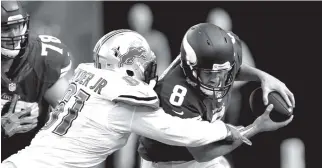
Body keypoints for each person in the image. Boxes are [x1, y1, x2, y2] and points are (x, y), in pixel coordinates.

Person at [2, 29, 253, 168]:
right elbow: (182, 132)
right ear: (130, 66)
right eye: (143, 62)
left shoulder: (86, 77)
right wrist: (224, 129)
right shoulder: (125, 100)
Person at [138, 23, 295, 168]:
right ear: (190, 70)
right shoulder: (175, 95)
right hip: (168, 161)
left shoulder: (223, 59)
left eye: (222, 73)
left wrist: (263, 77)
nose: (217, 80)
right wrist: (256, 127)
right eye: (209, 74)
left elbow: (233, 69)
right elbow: (202, 153)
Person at [1, 0, 73, 160]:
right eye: (6, 28)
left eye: (17, 26)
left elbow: (71, 118)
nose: (14, 35)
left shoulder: (42, 59)